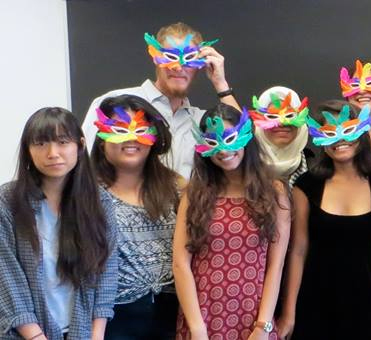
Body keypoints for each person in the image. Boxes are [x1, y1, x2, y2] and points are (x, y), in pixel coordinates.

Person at [0, 107, 119, 340]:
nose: (53, 153)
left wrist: (97, 335)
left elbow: (106, 270)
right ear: (28, 150)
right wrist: (35, 336)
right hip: (23, 333)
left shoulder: (99, 201)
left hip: (82, 331)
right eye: (41, 144)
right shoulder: (8, 201)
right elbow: (6, 277)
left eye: (63, 142)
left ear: (80, 145)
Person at [172, 104, 290, 340]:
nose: (224, 150)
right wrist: (197, 328)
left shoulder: (273, 192)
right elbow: (180, 264)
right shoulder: (194, 194)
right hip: (203, 317)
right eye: (213, 142)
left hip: (254, 318)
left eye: (230, 138)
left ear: (246, 137)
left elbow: (275, 267)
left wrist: (263, 326)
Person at [284, 101, 371, 339]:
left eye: (346, 130)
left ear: (361, 132)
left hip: (368, 300)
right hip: (315, 300)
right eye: (329, 133)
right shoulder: (307, 185)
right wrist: (289, 312)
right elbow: (298, 249)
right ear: (320, 138)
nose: (339, 140)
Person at [82, 22, 240, 179]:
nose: (178, 67)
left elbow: (243, 144)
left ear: (201, 63)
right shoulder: (115, 104)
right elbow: (83, 162)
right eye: (170, 57)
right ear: (155, 57)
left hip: (187, 203)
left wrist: (221, 84)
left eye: (189, 58)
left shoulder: (202, 122)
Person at [90, 95, 182, 340]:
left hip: (172, 314)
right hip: (112, 318)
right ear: (101, 139)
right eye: (120, 129)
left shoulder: (176, 187)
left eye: (140, 129)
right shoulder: (85, 193)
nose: (131, 138)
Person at [249, 86, 312, 185]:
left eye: (289, 116)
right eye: (272, 117)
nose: (282, 123)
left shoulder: (314, 168)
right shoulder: (245, 165)